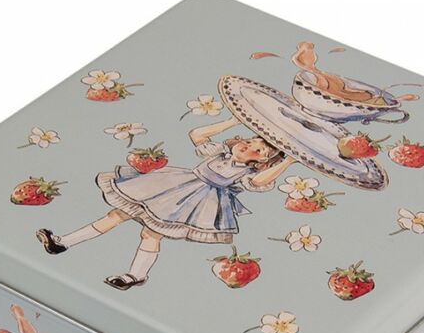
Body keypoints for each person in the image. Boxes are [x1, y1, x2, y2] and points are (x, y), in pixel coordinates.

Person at [36, 115, 296, 289]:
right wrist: (232, 121)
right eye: (249, 141)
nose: (249, 146)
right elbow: (197, 134)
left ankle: (136, 275)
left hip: (195, 203)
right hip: (171, 184)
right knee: (115, 215)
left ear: (262, 161)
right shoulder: (221, 152)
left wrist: (289, 161)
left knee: (151, 233)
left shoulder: (247, 173)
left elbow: (260, 182)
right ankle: (62, 243)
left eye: (259, 150)